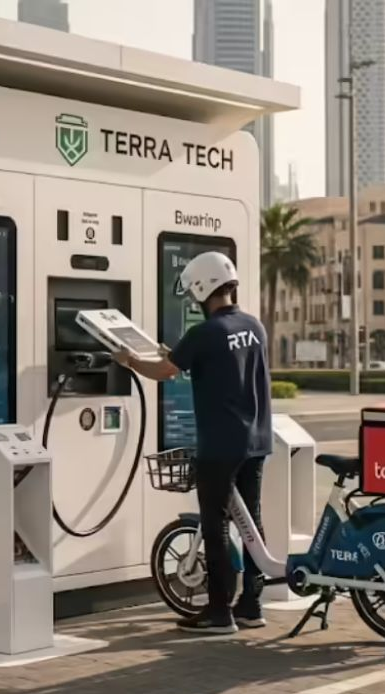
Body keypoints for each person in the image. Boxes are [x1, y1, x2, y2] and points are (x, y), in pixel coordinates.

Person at [112, 251, 273, 635]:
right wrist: (177, 356)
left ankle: (219, 612)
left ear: (202, 289)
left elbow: (165, 371)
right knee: (252, 521)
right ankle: (251, 605)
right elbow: (215, 365)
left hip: (220, 445)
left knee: (214, 525)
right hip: (256, 440)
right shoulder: (254, 325)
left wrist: (130, 361)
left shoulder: (205, 333)